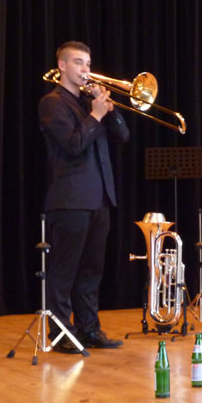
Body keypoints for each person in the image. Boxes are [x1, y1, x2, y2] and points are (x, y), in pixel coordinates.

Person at [38, 41, 130, 353]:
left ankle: (89, 329)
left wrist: (109, 110)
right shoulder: (52, 103)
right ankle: (61, 333)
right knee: (64, 271)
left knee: (92, 270)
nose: (86, 69)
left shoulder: (90, 103)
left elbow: (123, 136)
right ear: (62, 66)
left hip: (99, 197)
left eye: (88, 63)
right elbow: (73, 145)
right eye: (78, 62)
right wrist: (95, 115)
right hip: (70, 199)